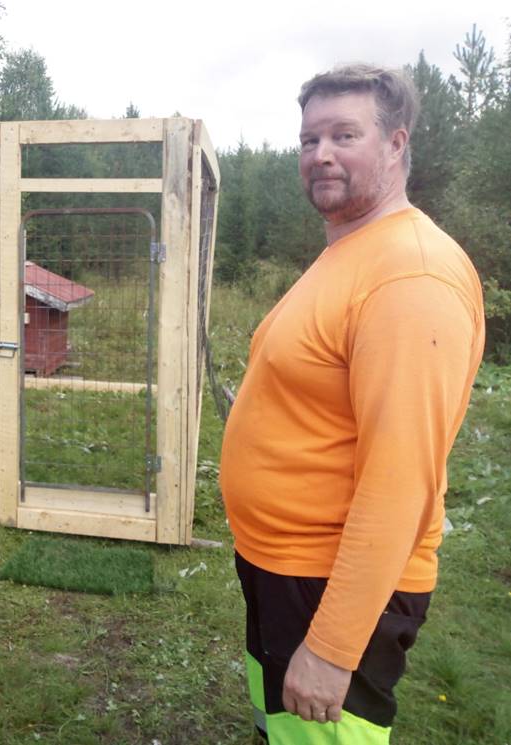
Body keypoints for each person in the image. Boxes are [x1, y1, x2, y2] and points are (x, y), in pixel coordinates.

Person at [219, 65, 485, 744]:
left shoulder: (410, 275)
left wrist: (334, 647)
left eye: (344, 135)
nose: (321, 154)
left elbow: (401, 480)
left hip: (329, 586)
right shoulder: (351, 250)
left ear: (396, 144)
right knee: (281, 730)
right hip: (284, 567)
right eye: (309, 139)